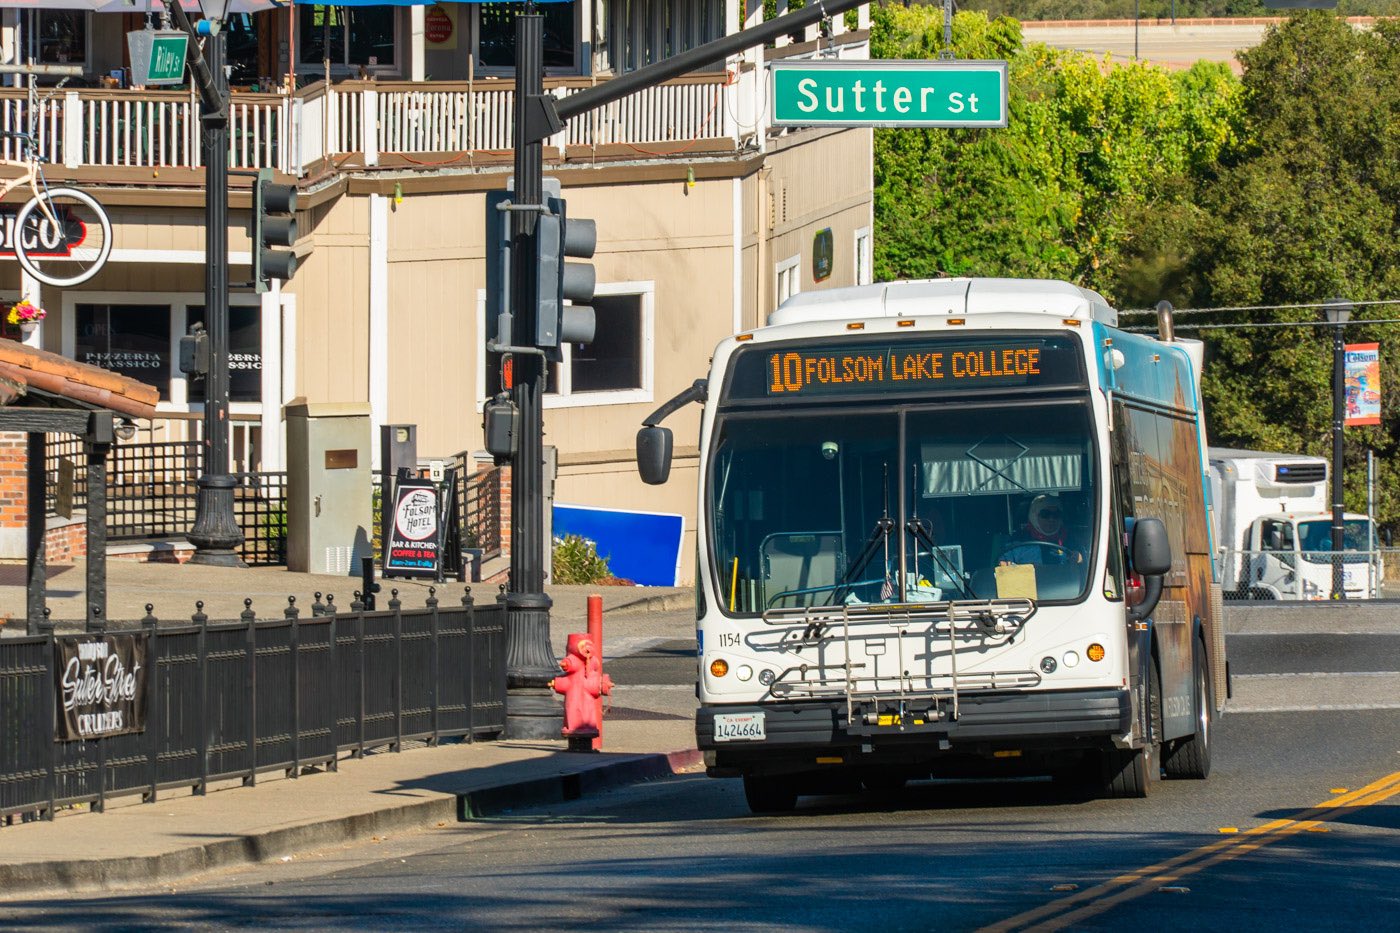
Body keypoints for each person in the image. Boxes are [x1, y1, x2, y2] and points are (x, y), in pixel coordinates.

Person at [1000, 494, 1084, 565]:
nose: (1051, 519)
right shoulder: (1017, 541)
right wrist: (1004, 564)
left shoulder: (1069, 538)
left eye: (1056, 514)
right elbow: (1003, 562)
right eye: (1045, 514)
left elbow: (1088, 562)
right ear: (1034, 515)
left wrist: (1080, 558)